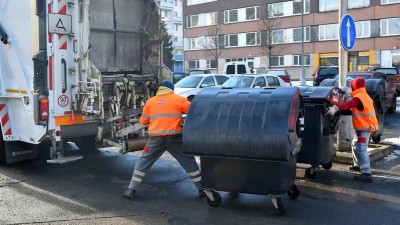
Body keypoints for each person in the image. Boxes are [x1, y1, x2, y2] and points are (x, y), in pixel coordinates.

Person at [123, 81, 204, 199]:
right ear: (171, 90)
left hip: (155, 139)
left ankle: (131, 189)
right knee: (189, 162)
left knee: (143, 162)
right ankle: (201, 189)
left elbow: (143, 121)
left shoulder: (151, 102)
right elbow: (193, 111)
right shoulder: (178, 99)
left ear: (160, 89)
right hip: (175, 139)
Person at [325, 77, 378, 182]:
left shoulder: (359, 98)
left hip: (366, 128)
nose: (351, 87)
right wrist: (342, 111)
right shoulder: (364, 96)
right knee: (355, 145)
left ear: (355, 86)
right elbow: (357, 110)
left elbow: (349, 105)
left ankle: (366, 173)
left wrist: (337, 108)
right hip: (364, 127)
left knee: (361, 148)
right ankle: (358, 165)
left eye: (352, 85)